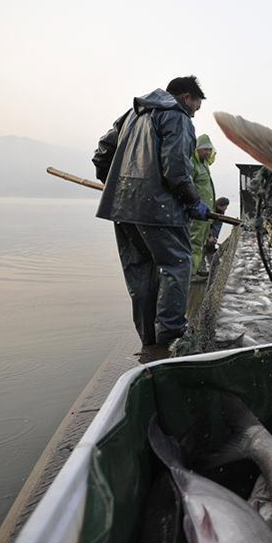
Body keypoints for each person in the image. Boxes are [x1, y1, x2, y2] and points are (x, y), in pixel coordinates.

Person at [91, 76, 211, 350]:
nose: (195, 112)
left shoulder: (132, 114)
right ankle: (170, 336)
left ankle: (150, 340)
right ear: (186, 96)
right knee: (177, 264)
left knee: (140, 272)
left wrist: (115, 185)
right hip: (159, 210)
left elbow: (102, 153)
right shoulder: (177, 115)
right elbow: (176, 169)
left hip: (122, 209)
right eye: (196, 106)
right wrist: (193, 202)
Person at [189, 134, 217, 277]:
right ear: (197, 149)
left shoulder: (204, 165)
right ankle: (190, 274)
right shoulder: (192, 164)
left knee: (200, 243)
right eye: (205, 149)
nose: (208, 152)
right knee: (194, 242)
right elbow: (188, 186)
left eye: (209, 150)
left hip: (206, 213)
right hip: (197, 212)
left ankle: (196, 268)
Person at [203, 197, 231, 274]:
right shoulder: (210, 210)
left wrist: (214, 236)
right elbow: (204, 225)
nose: (226, 208)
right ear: (219, 205)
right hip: (202, 233)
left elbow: (217, 225)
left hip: (210, 235)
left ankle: (215, 269)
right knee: (201, 252)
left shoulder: (221, 212)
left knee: (210, 249)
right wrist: (208, 236)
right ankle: (201, 271)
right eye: (225, 206)